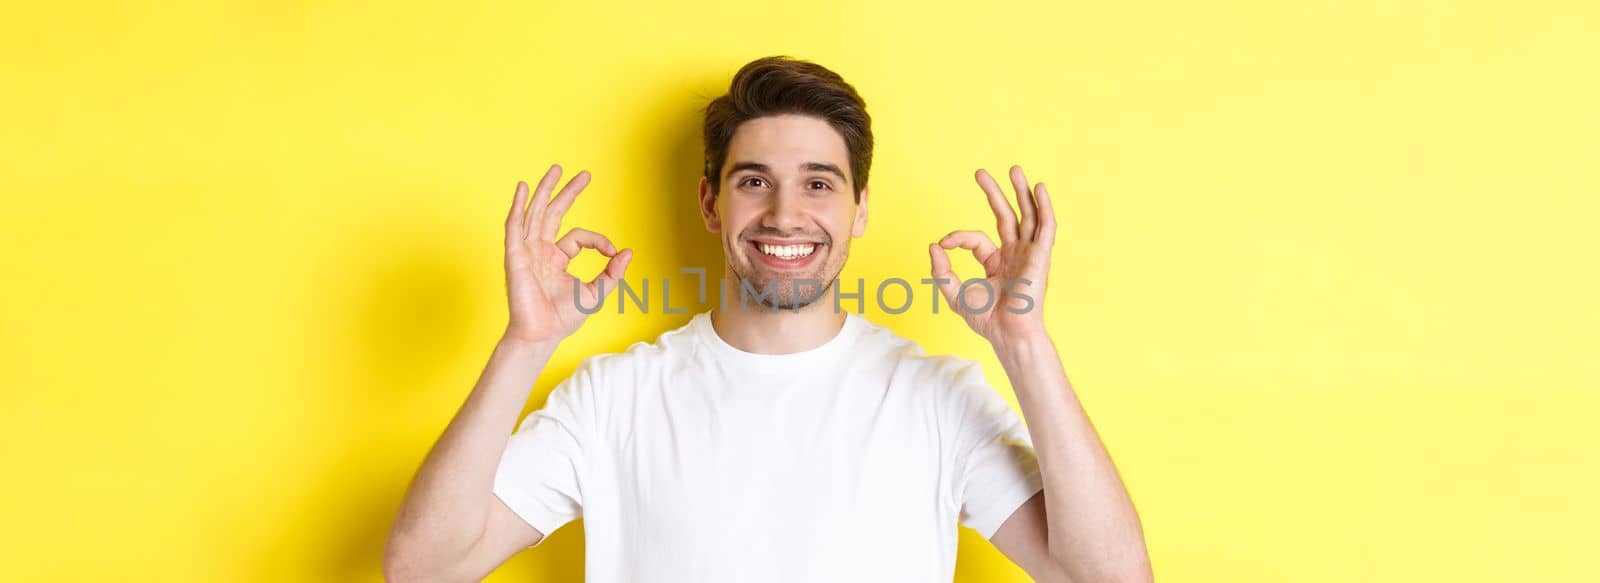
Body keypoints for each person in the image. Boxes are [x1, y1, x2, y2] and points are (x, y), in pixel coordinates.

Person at [383, 55, 1152, 583]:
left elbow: (1110, 575)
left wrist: (1025, 346)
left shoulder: (937, 399)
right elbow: (421, 566)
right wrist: (526, 344)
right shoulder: (614, 396)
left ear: (859, 213)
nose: (786, 213)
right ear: (711, 204)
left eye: (819, 183)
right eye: (755, 180)